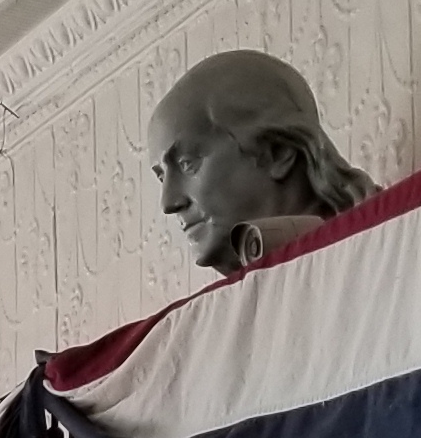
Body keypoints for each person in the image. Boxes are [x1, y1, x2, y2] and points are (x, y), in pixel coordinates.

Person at [147, 49, 384, 274]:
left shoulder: (386, 248)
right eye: (161, 177)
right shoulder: (220, 310)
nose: (168, 203)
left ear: (277, 151)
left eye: (188, 164)